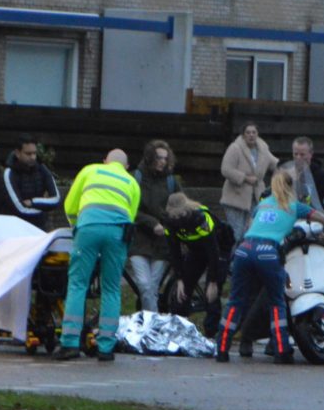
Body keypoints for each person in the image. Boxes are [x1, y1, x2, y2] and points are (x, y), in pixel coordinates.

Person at [216, 169, 324, 364]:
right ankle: (281, 350)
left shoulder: (262, 204)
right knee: (276, 301)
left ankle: (221, 348)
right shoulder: (295, 206)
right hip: (268, 252)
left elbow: (249, 227)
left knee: (236, 301)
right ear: (290, 187)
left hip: (244, 250)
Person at [53, 149, 141, 363]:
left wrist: (77, 226)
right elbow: (131, 215)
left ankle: (70, 343)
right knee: (111, 287)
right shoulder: (132, 183)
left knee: (78, 284)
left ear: (104, 161)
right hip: (118, 233)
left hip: (89, 228)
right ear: (127, 167)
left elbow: (71, 205)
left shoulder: (90, 170)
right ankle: (106, 347)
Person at [163, 192, 231, 338]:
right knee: (182, 292)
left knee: (211, 293)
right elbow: (174, 252)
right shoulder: (169, 222)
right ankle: (179, 328)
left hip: (219, 247)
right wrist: (180, 279)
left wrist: (213, 280)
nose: (175, 220)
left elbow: (213, 252)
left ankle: (211, 333)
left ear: (185, 211)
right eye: (172, 217)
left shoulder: (200, 218)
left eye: (178, 216)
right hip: (196, 249)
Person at [128, 140, 182, 312]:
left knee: (152, 286)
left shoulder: (171, 181)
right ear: (150, 157)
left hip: (162, 242)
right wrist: (152, 223)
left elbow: (180, 206)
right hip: (139, 241)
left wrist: (167, 223)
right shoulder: (136, 178)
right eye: (158, 157)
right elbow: (130, 208)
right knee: (144, 285)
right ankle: (153, 325)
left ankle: (149, 325)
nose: (162, 162)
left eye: (165, 159)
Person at [219, 122, 277, 238]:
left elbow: (274, 163)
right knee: (237, 232)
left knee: (252, 230)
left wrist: (289, 171)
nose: (251, 135)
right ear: (243, 135)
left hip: (256, 197)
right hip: (235, 198)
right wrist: (245, 178)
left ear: (257, 134)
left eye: (254, 132)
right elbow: (225, 169)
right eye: (248, 132)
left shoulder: (263, 148)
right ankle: (234, 255)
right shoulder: (235, 148)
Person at [0, 134, 61, 230]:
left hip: (37, 229)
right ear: (17, 153)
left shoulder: (42, 169)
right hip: (11, 230)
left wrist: (32, 202)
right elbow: (19, 209)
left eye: (34, 153)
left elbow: (56, 199)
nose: (33, 157)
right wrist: (43, 210)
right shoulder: (8, 174)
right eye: (28, 154)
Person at [291, 136, 324, 210]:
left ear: (311, 154)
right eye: (296, 154)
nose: (298, 158)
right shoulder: (286, 174)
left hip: (313, 218)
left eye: (302, 154)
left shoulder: (321, 176)